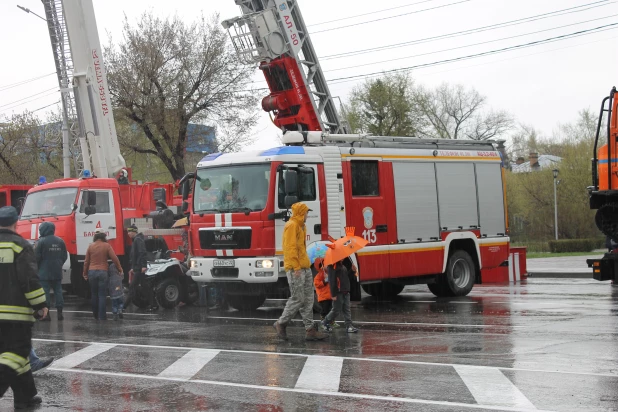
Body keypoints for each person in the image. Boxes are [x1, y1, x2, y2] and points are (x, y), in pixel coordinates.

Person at [0, 206, 48, 409]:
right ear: (15, 223)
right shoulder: (20, 245)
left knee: (17, 355)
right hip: (15, 314)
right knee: (17, 354)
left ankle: (25, 396)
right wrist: (40, 305)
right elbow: (29, 280)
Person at [273, 203, 326, 341]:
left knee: (308, 299)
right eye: (306, 213)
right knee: (298, 298)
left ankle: (310, 330)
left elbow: (300, 248)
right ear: (301, 213)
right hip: (295, 268)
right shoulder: (292, 225)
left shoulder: (302, 225)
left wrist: (305, 265)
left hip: (305, 266)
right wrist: (296, 267)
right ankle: (281, 323)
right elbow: (290, 248)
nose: (308, 215)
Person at [83, 230, 123, 320]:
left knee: (94, 294)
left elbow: (86, 262)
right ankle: (102, 316)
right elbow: (114, 258)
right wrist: (120, 269)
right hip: (103, 271)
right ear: (104, 237)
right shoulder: (107, 246)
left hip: (92, 272)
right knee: (102, 295)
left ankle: (95, 315)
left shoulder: (90, 246)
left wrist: (85, 273)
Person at [34, 222, 67, 321]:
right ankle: (60, 313)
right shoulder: (60, 241)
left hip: (44, 271)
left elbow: (36, 258)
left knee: (46, 292)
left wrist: (38, 268)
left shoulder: (40, 242)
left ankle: (47, 314)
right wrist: (59, 264)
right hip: (57, 270)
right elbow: (64, 256)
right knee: (58, 291)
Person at [321, 258, 359, 333]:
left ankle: (349, 326)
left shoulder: (342, 266)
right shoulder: (332, 266)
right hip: (338, 292)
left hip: (345, 290)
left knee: (347, 309)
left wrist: (352, 270)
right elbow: (332, 281)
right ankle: (325, 322)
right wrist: (333, 294)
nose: (343, 258)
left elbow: (346, 277)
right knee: (336, 309)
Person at [126, 225, 157, 311]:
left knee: (132, 287)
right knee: (145, 287)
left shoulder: (137, 240)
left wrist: (143, 266)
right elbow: (135, 255)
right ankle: (154, 304)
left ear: (134, 232)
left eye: (129, 232)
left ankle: (123, 307)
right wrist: (133, 267)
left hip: (139, 268)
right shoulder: (136, 240)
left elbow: (142, 253)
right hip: (138, 267)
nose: (128, 234)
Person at [313, 257, 336, 331]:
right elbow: (317, 284)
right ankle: (324, 322)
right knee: (325, 310)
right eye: (325, 265)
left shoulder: (329, 273)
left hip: (329, 296)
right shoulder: (319, 275)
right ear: (321, 266)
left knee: (330, 310)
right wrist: (324, 281)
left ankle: (330, 321)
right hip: (323, 297)